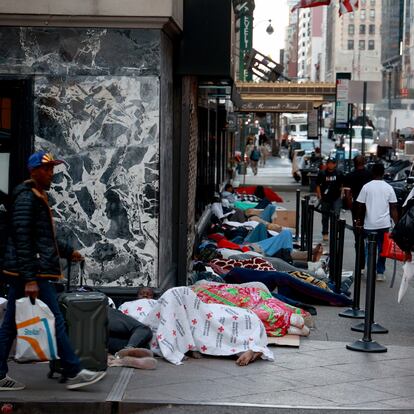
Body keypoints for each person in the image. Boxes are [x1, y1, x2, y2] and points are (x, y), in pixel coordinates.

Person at [0, 151, 107, 390]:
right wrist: (29, 279)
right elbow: (23, 240)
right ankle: (73, 370)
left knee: (9, 325)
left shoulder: (36, 196)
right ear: (34, 171)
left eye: (52, 169)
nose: (51, 174)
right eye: (47, 170)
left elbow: (43, 239)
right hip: (31, 273)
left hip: (28, 272)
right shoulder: (27, 199)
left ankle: (0, 374)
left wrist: (68, 252)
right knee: (56, 319)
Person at [356, 163, 399, 282]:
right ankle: (380, 272)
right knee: (382, 249)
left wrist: (358, 221)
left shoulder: (366, 187)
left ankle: (370, 271)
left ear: (372, 172)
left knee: (369, 248)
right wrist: (397, 225)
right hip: (384, 225)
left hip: (369, 224)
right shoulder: (389, 187)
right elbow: (393, 208)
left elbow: (360, 206)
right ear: (383, 173)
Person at [316, 158, 344, 242]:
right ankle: (325, 233)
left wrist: (342, 194)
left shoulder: (339, 173)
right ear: (327, 164)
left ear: (335, 164)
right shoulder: (322, 173)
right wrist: (319, 195)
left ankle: (336, 232)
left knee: (336, 216)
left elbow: (342, 184)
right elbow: (317, 185)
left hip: (336, 198)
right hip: (325, 198)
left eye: (332, 163)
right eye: (329, 163)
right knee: (325, 217)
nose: (330, 165)